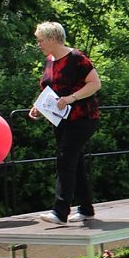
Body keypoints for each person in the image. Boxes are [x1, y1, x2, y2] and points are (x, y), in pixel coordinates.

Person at [28, 22, 101, 225]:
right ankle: (86, 209)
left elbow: (95, 84)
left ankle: (60, 213)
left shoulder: (77, 59)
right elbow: (50, 90)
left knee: (65, 159)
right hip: (61, 120)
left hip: (83, 119)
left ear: (53, 39)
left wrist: (71, 98)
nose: (39, 43)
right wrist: (39, 107)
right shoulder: (50, 60)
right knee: (74, 162)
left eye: (41, 40)